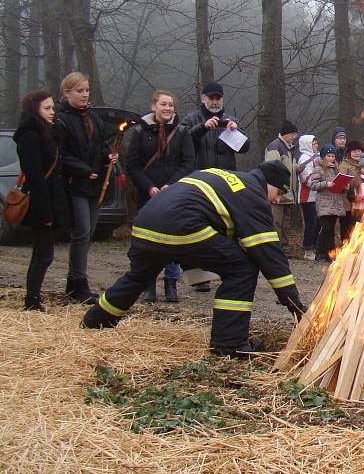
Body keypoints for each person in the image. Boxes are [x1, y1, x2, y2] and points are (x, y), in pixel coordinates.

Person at [81, 161, 306, 358]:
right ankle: (229, 343)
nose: (276, 200)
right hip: (181, 225)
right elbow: (268, 254)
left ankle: (95, 320)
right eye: (278, 193)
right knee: (242, 269)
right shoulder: (252, 193)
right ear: (270, 183)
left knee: (139, 276)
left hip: (145, 223)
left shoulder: (224, 176)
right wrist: (292, 302)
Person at [126, 90, 195, 302]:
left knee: (173, 240)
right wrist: (149, 187)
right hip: (148, 195)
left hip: (173, 195)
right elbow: (133, 164)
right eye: (164, 104)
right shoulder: (139, 132)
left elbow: (188, 162)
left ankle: (171, 284)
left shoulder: (183, 132)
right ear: (154, 105)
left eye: (171, 105)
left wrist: (170, 185)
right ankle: (148, 285)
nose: (167, 108)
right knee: (148, 241)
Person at [57, 72, 119, 304]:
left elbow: (100, 145)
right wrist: (82, 169)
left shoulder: (93, 117)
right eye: (79, 91)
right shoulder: (62, 119)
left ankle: (73, 283)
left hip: (95, 184)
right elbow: (62, 155)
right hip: (75, 185)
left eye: (86, 90)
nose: (84, 95)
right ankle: (79, 283)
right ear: (67, 93)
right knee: (81, 233)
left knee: (89, 233)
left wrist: (108, 156)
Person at [182, 81, 249, 291]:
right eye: (210, 97)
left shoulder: (231, 120)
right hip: (198, 182)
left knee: (223, 229)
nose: (214, 101)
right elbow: (181, 142)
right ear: (203, 99)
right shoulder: (191, 119)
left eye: (218, 98)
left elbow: (245, 148)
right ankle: (198, 277)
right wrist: (202, 128)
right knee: (197, 227)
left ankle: (223, 272)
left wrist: (235, 131)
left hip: (224, 183)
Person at [14, 90, 70, 311]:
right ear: (34, 109)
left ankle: (33, 298)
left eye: (52, 108)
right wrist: (45, 212)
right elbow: (35, 177)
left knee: (43, 253)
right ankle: (32, 300)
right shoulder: (29, 136)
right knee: (43, 254)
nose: (52, 112)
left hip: (51, 198)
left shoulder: (50, 132)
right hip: (40, 203)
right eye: (47, 108)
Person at [264, 120, 299, 246]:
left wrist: (298, 168)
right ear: (286, 133)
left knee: (286, 224)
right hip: (277, 195)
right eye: (293, 134)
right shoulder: (275, 146)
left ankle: (284, 247)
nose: (295, 137)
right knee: (276, 222)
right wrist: (275, 192)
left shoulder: (290, 149)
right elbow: (271, 170)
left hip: (288, 195)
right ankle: (275, 247)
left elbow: (290, 169)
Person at [309, 144, 346, 262]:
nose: (331, 158)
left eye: (333, 156)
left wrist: (344, 185)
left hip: (335, 202)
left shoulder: (336, 169)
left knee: (331, 230)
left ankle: (329, 254)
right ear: (323, 156)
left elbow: (339, 185)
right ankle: (320, 252)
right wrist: (326, 184)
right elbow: (313, 185)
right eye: (329, 156)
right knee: (326, 228)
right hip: (324, 203)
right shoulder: (318, 168)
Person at [297, 134, 320, 260]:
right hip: (307, 197)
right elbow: (307, 179)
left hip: (317, 196)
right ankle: (308, 248)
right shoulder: (304, 159)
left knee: (318, 223)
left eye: (316, 143)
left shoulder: (317, 158)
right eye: (313, 143)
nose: (316, 145)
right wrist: (322, 181)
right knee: (311, 223)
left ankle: (314, 245)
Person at [338, 140, 363, 241]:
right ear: (349, 153)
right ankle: (344, 251)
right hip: (347, 203)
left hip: (361, 202)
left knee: (359, 228)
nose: (357, 153)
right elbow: (340, 183)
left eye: (359, 151)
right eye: (354, 151)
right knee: (346, 227)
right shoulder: (344, 165)